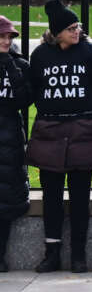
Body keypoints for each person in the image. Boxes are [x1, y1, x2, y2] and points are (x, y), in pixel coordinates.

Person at [25, 0, 92, 273]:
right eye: (71, 27)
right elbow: (35, 90)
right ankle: (52, 253)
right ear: (57, 32)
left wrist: (85, 116)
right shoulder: (40, 56)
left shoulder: (90, 54)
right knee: (51, 196)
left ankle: (78, 255)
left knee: (81, 196)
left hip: (82, 129)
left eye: (78, 26)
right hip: (50, 130)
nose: (77, 31)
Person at [0, 15, 31, 272]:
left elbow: (24, 100)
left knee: (5, 201)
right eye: (2, 36)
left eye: (9, 36)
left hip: (9, 138)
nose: (6, 41)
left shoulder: (19, 65)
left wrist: (10, 66)